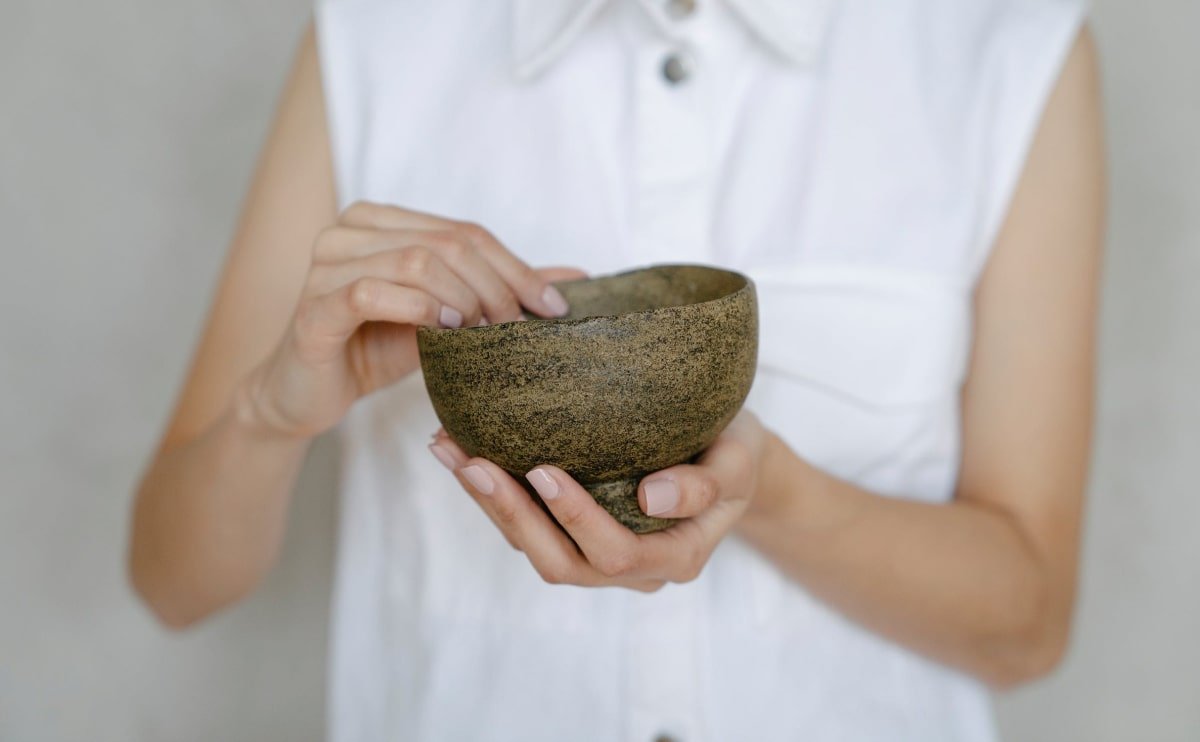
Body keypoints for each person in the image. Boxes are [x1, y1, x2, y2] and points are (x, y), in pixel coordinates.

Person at [128, 0, 1105, 739]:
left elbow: (1028, 624)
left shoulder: (1005, 45)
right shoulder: (380, 37)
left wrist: (768, 494)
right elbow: (171, 581)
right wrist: (269, 415)